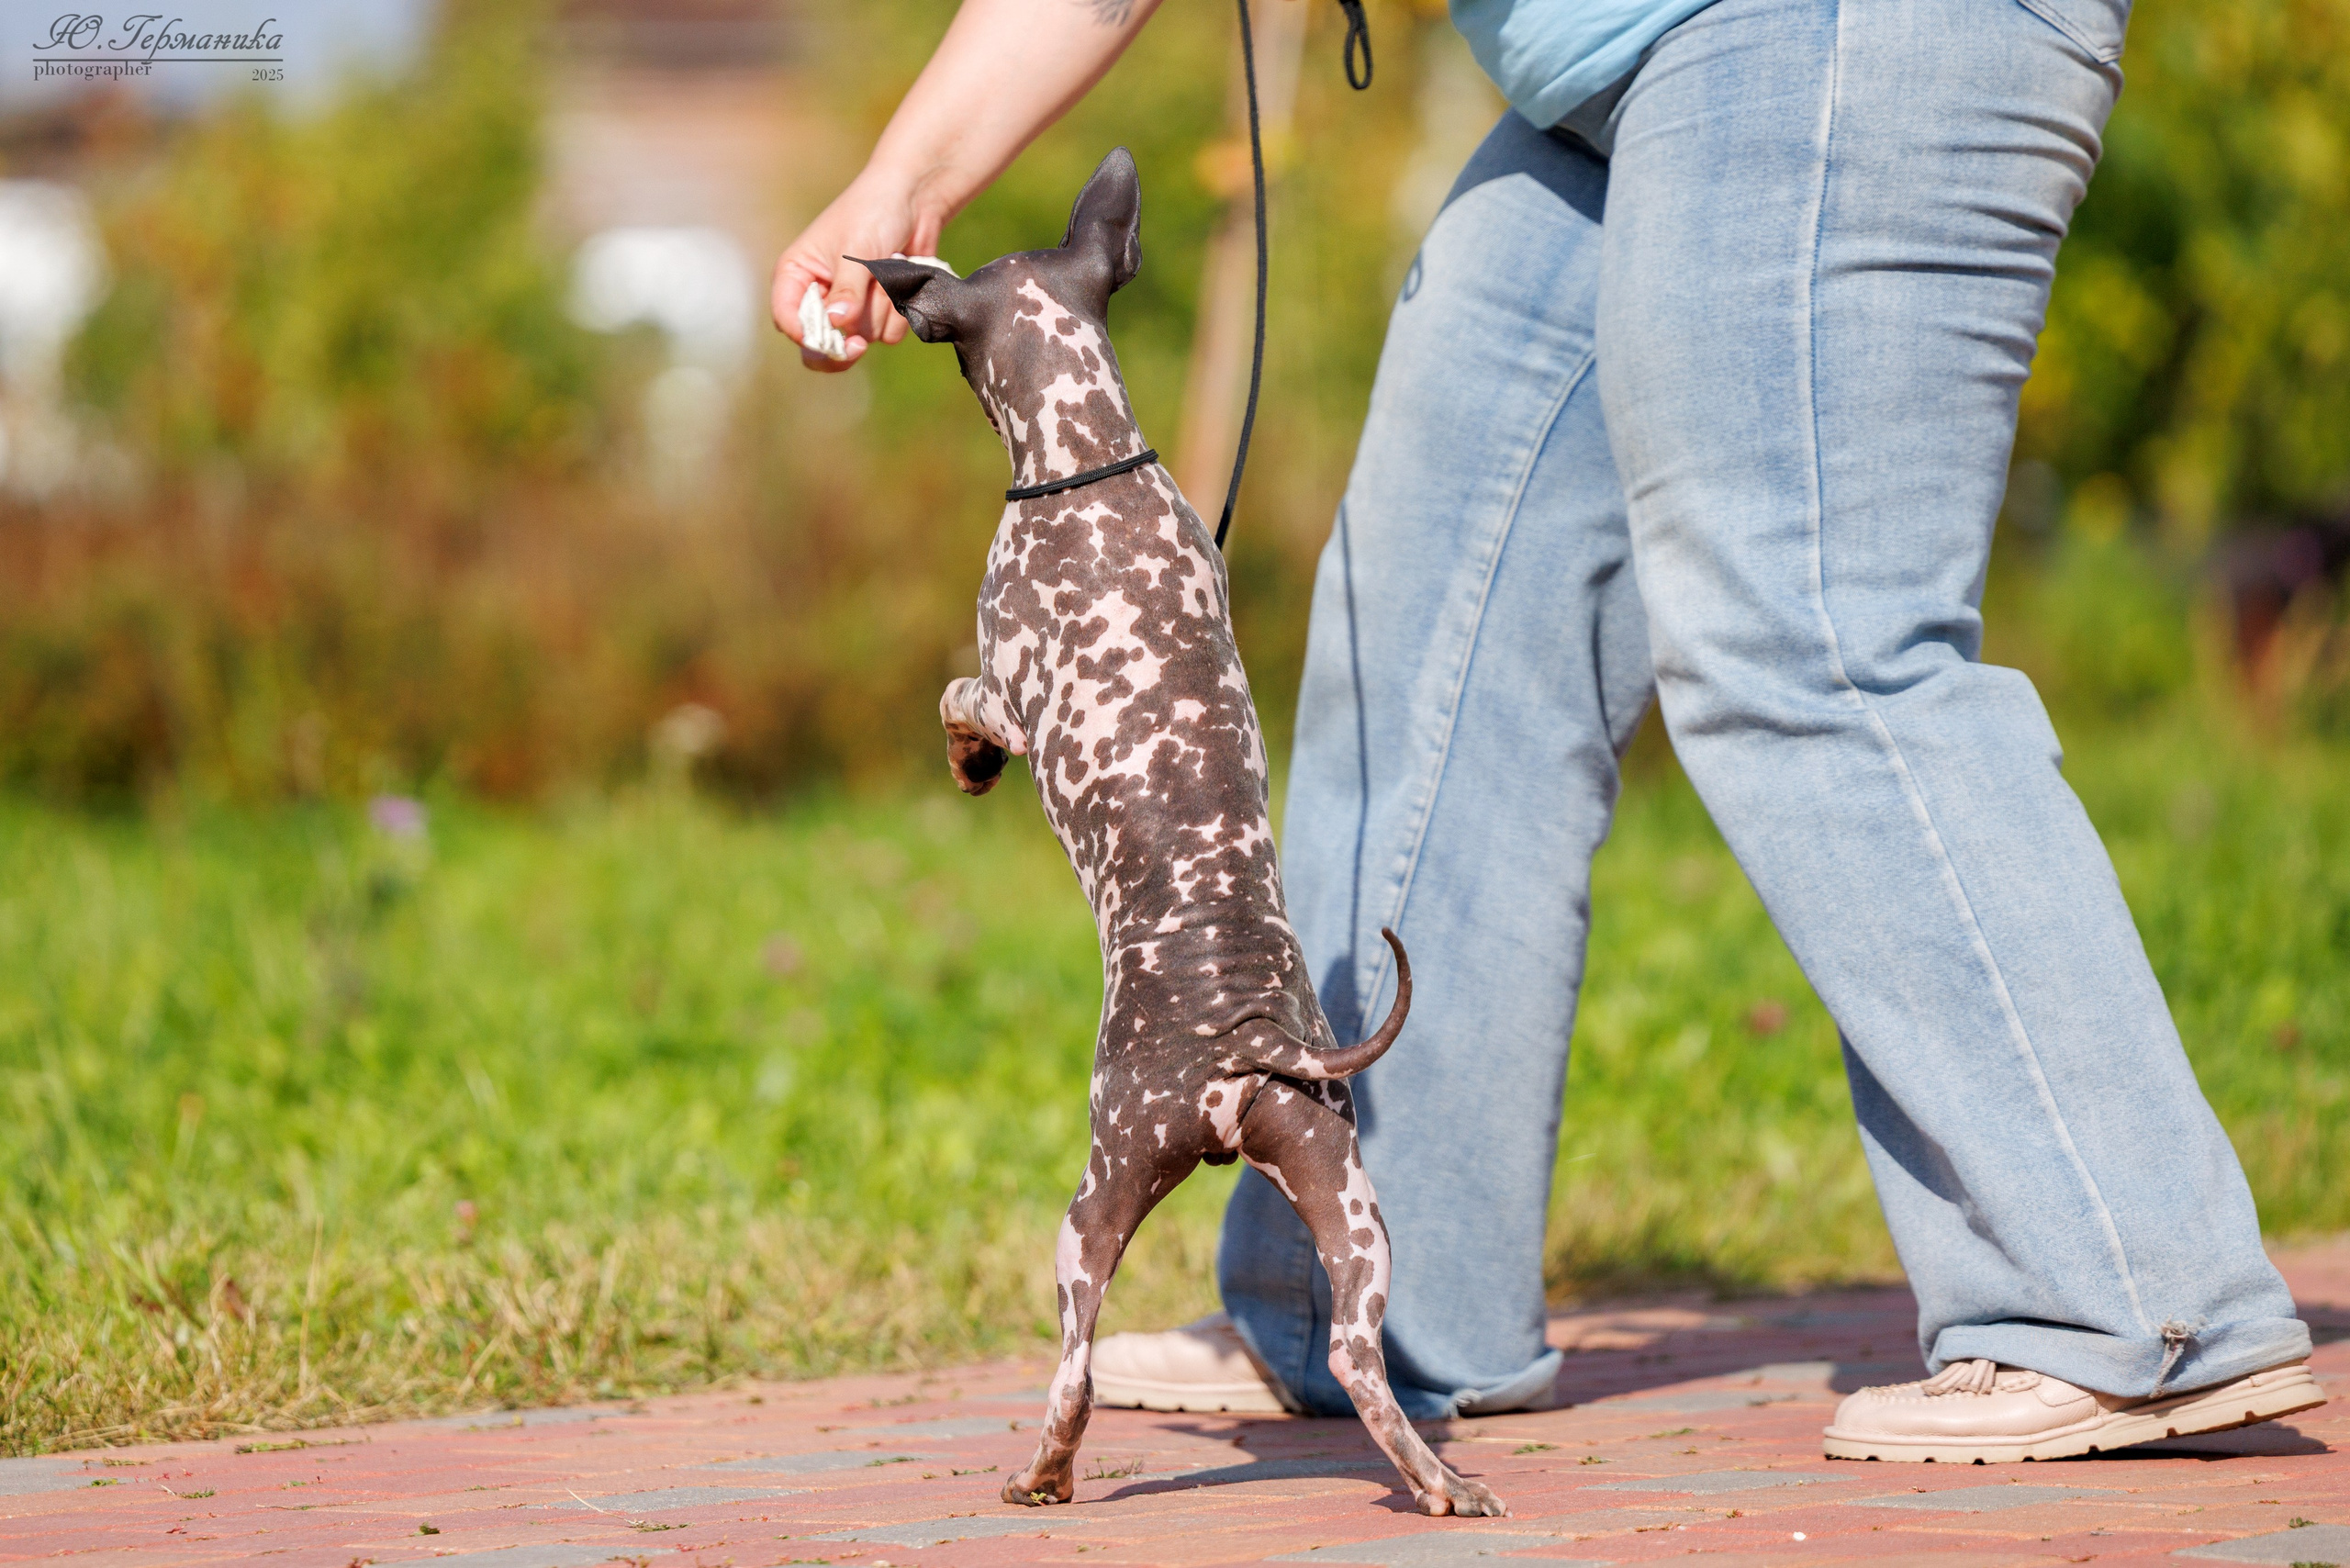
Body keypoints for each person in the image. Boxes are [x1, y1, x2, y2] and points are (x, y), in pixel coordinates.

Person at [774, 0, 2321, 1460]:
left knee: (1809, 625)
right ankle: (1372, 1305)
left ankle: (2130, 1294)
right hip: (1610, 76)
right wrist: (902, 178)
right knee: (1429, 614)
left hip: (1820, 32)